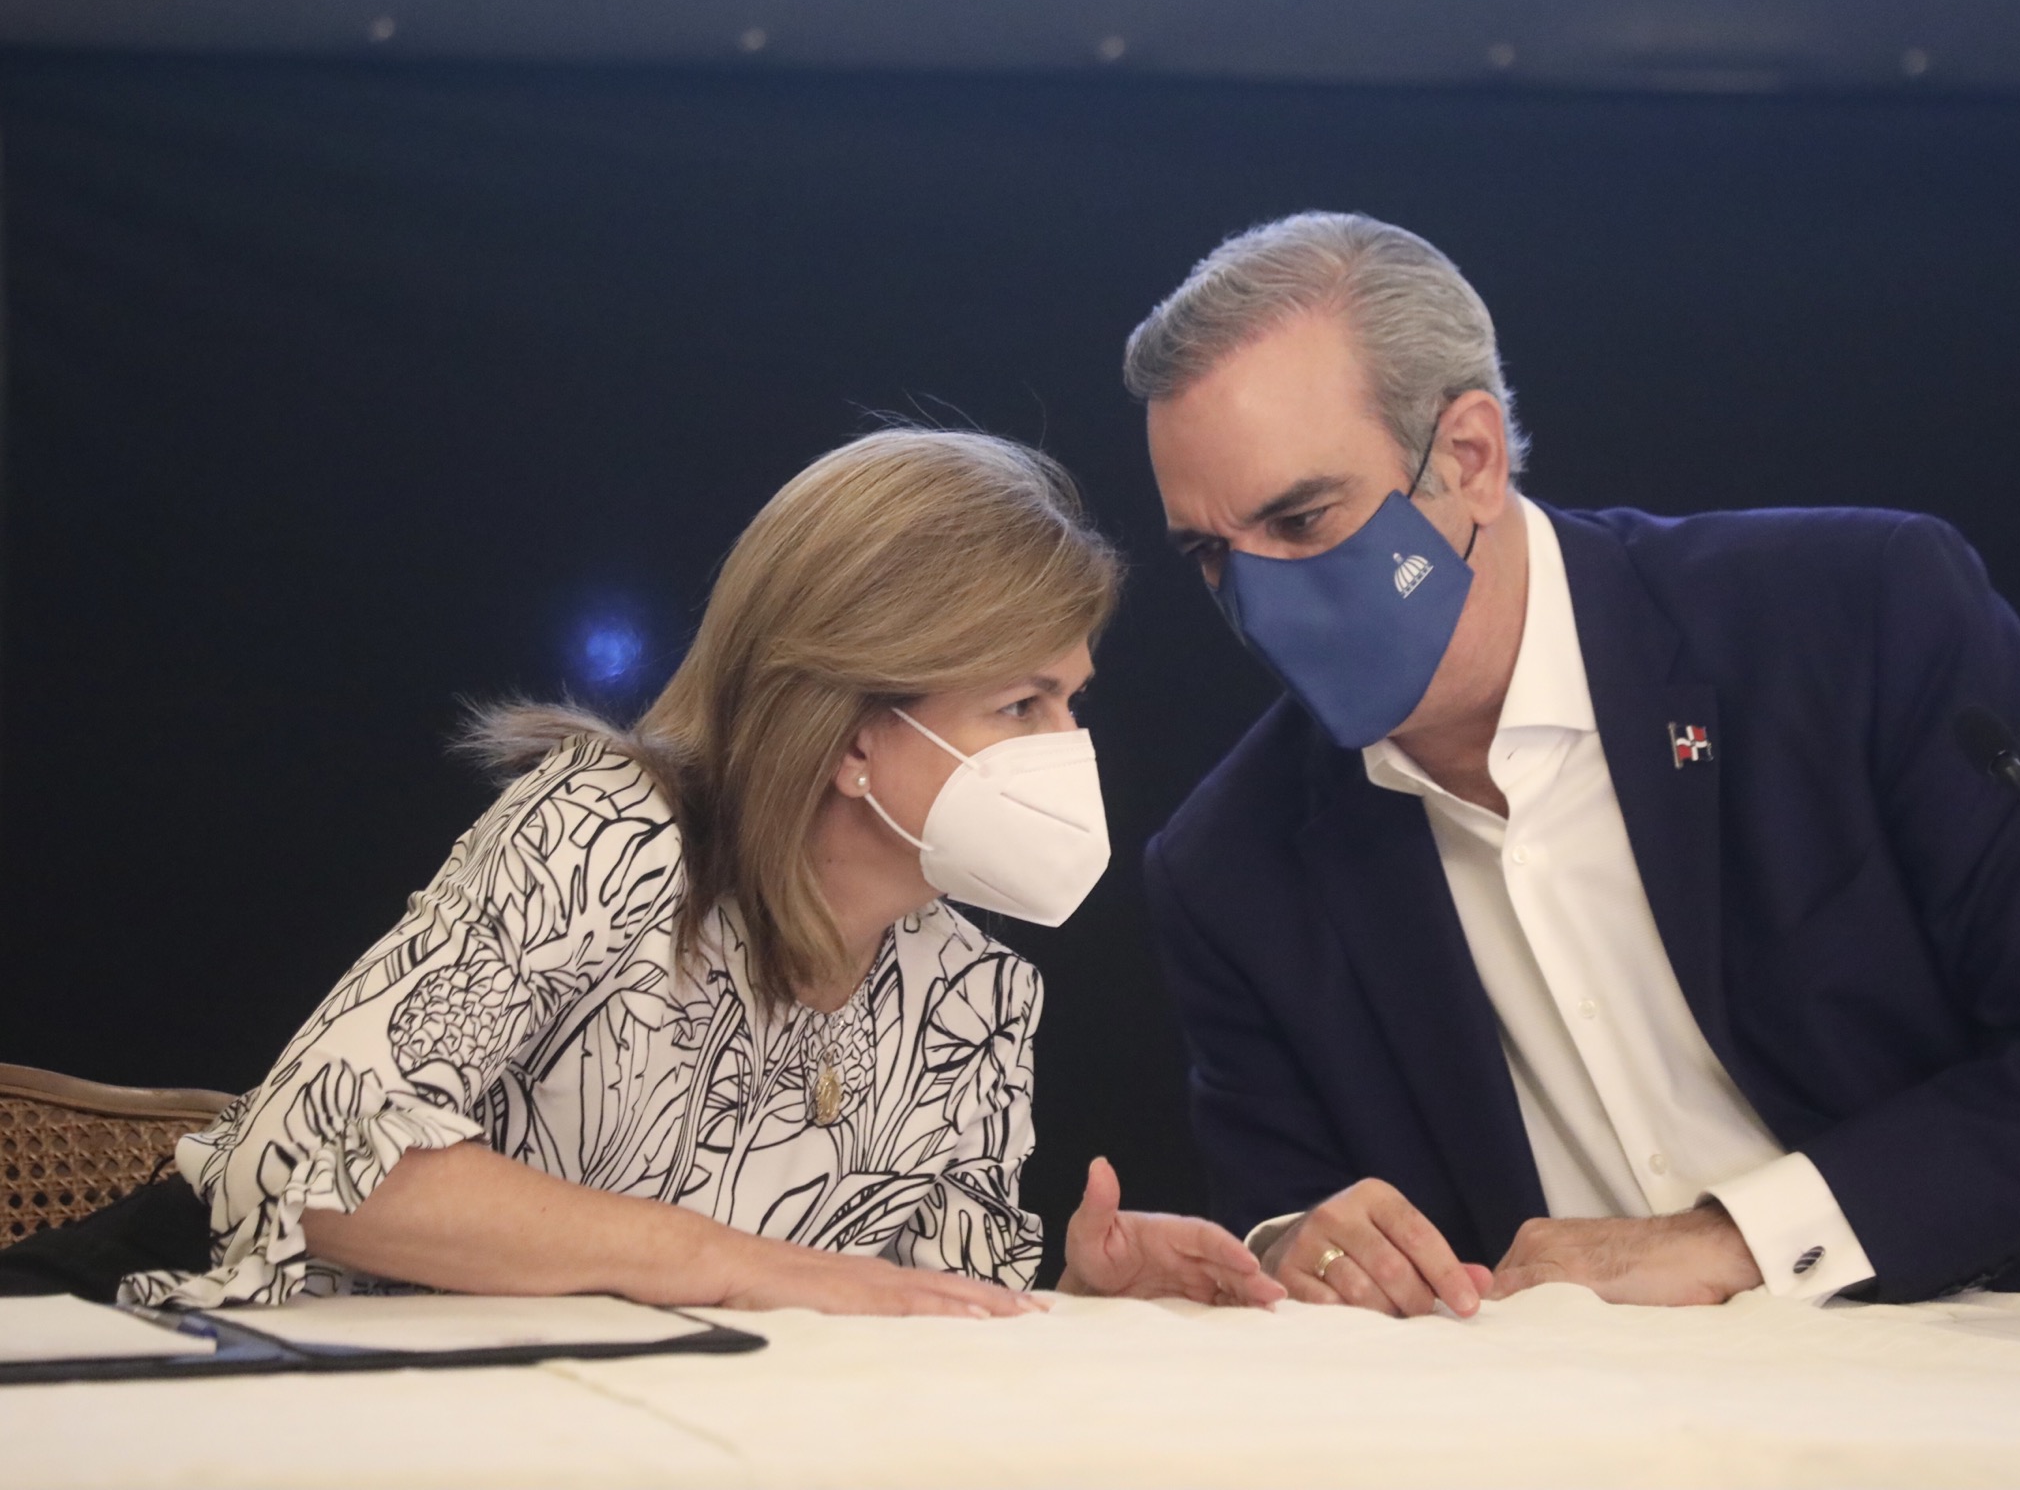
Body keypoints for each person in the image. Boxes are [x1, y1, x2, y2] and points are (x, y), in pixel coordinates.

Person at [1125, 211, 2020, 1316]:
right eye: (1212, 557)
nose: (1262, 603)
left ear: (1471, 456)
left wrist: (1736, 1243)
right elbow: (1290, 1230)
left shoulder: (1852, 621)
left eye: (1303, 520)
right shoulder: (1232, 868)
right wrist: (1302, 1251)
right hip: (1628, 1426)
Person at [124, 428, 1284, 1316]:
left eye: (1072, 700)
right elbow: (310, 1159)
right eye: (1022, 704)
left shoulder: (973, 998)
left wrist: (1083, 1294)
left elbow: (918, 1320)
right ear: (851, 736)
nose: (1069, 749)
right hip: (201, 1376)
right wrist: (732, 1264)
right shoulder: (606, 833)